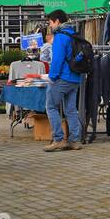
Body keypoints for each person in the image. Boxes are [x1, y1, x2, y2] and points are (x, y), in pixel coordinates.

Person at [42, 10, 85, 152]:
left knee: (51, 107)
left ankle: (58, 139)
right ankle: (75, 140)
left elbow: (57, 60)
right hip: (75, 77)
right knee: (71, 110)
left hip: (62, 78)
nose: (50, 26)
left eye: (50, 22)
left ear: (57, 21)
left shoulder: (60, 37)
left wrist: (52, 77)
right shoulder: (74, 34)